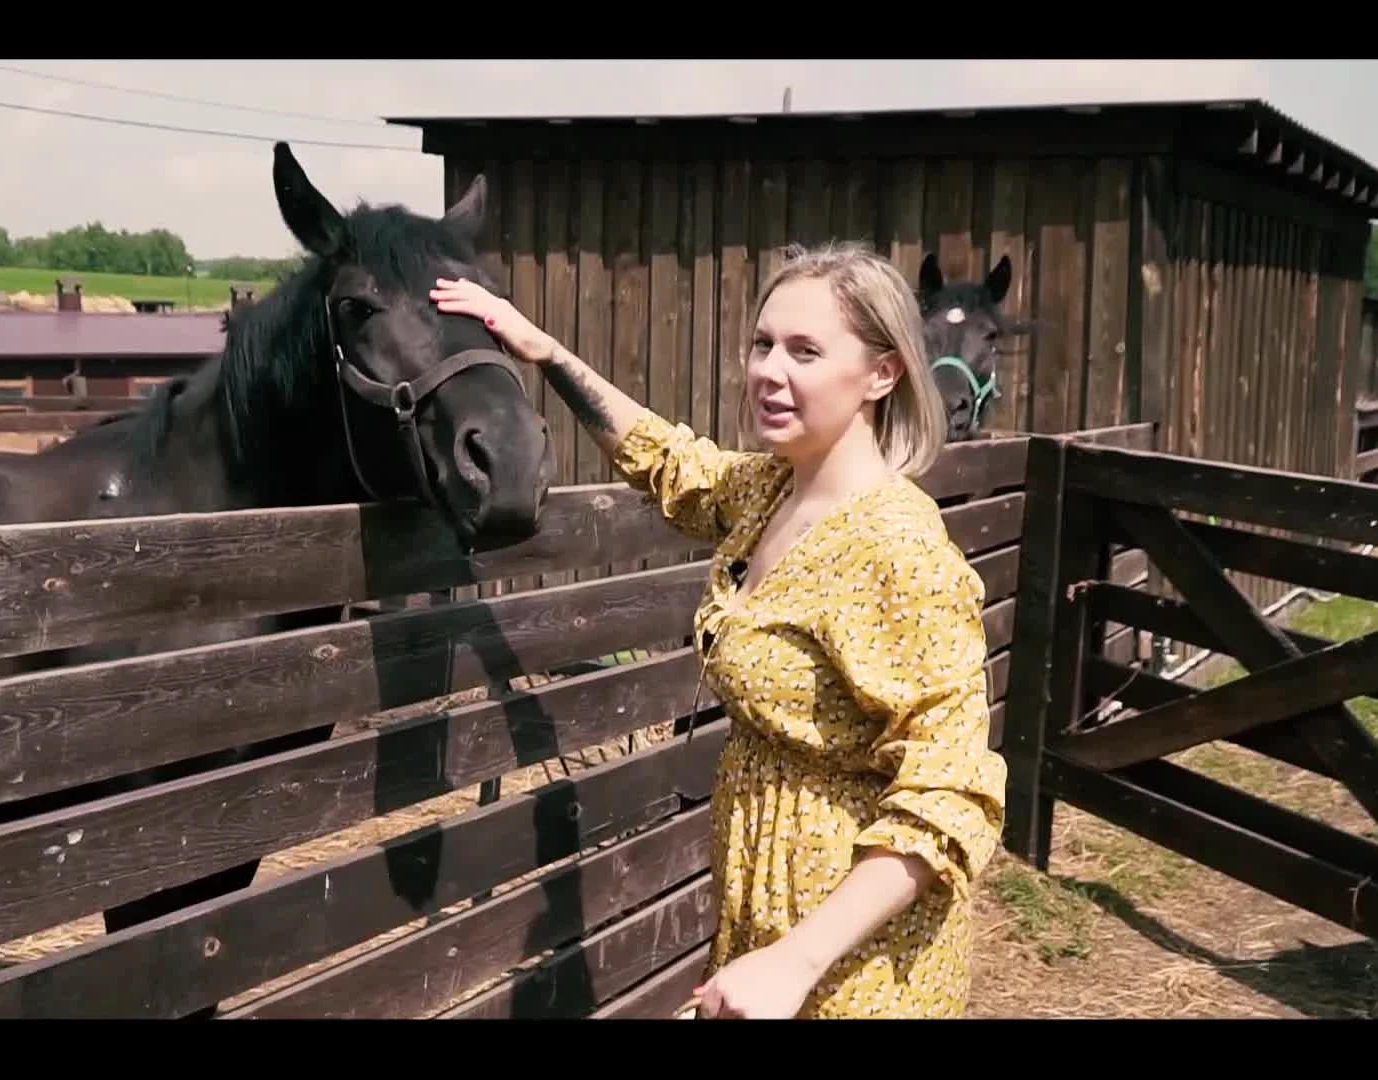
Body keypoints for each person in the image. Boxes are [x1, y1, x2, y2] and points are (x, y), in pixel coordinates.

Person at [430, 240, 1006, 1020]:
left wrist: (798, 959)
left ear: (883, 372)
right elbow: (666, 459)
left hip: (855, 960)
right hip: (764, 918)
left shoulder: (900, 549)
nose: (770, 370)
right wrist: (547, 354)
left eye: (806, 350)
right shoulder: (771, 491)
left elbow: (952, 793)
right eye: (763, 344)